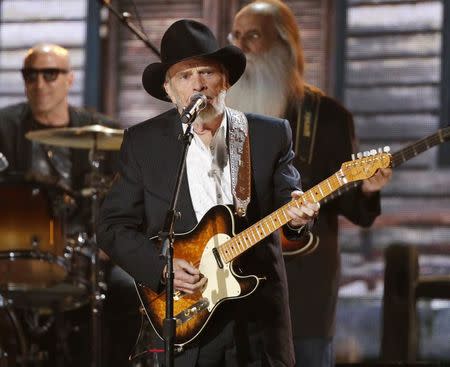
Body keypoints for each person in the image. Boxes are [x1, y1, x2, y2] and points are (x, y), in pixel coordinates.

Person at [97, 19, 320, 367]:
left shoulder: (268, 135)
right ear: (170, 91)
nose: (197, 84)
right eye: (184, 76)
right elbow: (111, 226)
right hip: (186, 318)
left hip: (257, 322)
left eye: (206, 72)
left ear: (225, 80)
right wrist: (162, 268)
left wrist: (297, 220)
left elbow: (290, 207)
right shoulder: (144, 143)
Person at [227, 1, 393, 366]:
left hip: (304, 287)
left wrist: (367, 189)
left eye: (252, 36)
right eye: (236, 36)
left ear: (284, 45)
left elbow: (355, 210)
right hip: (231, 284)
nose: (240, 46)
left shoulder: (329, 117)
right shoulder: (224, 117)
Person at [0, 44, 139, 367]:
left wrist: (112, 240)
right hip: (18, 251)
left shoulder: (102, 132)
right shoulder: (5, 128)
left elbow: (132, 197)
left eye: (50, 74)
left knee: (131, 288)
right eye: (30, 75)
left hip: (88, 252)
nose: (40, 84)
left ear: (70, 80)